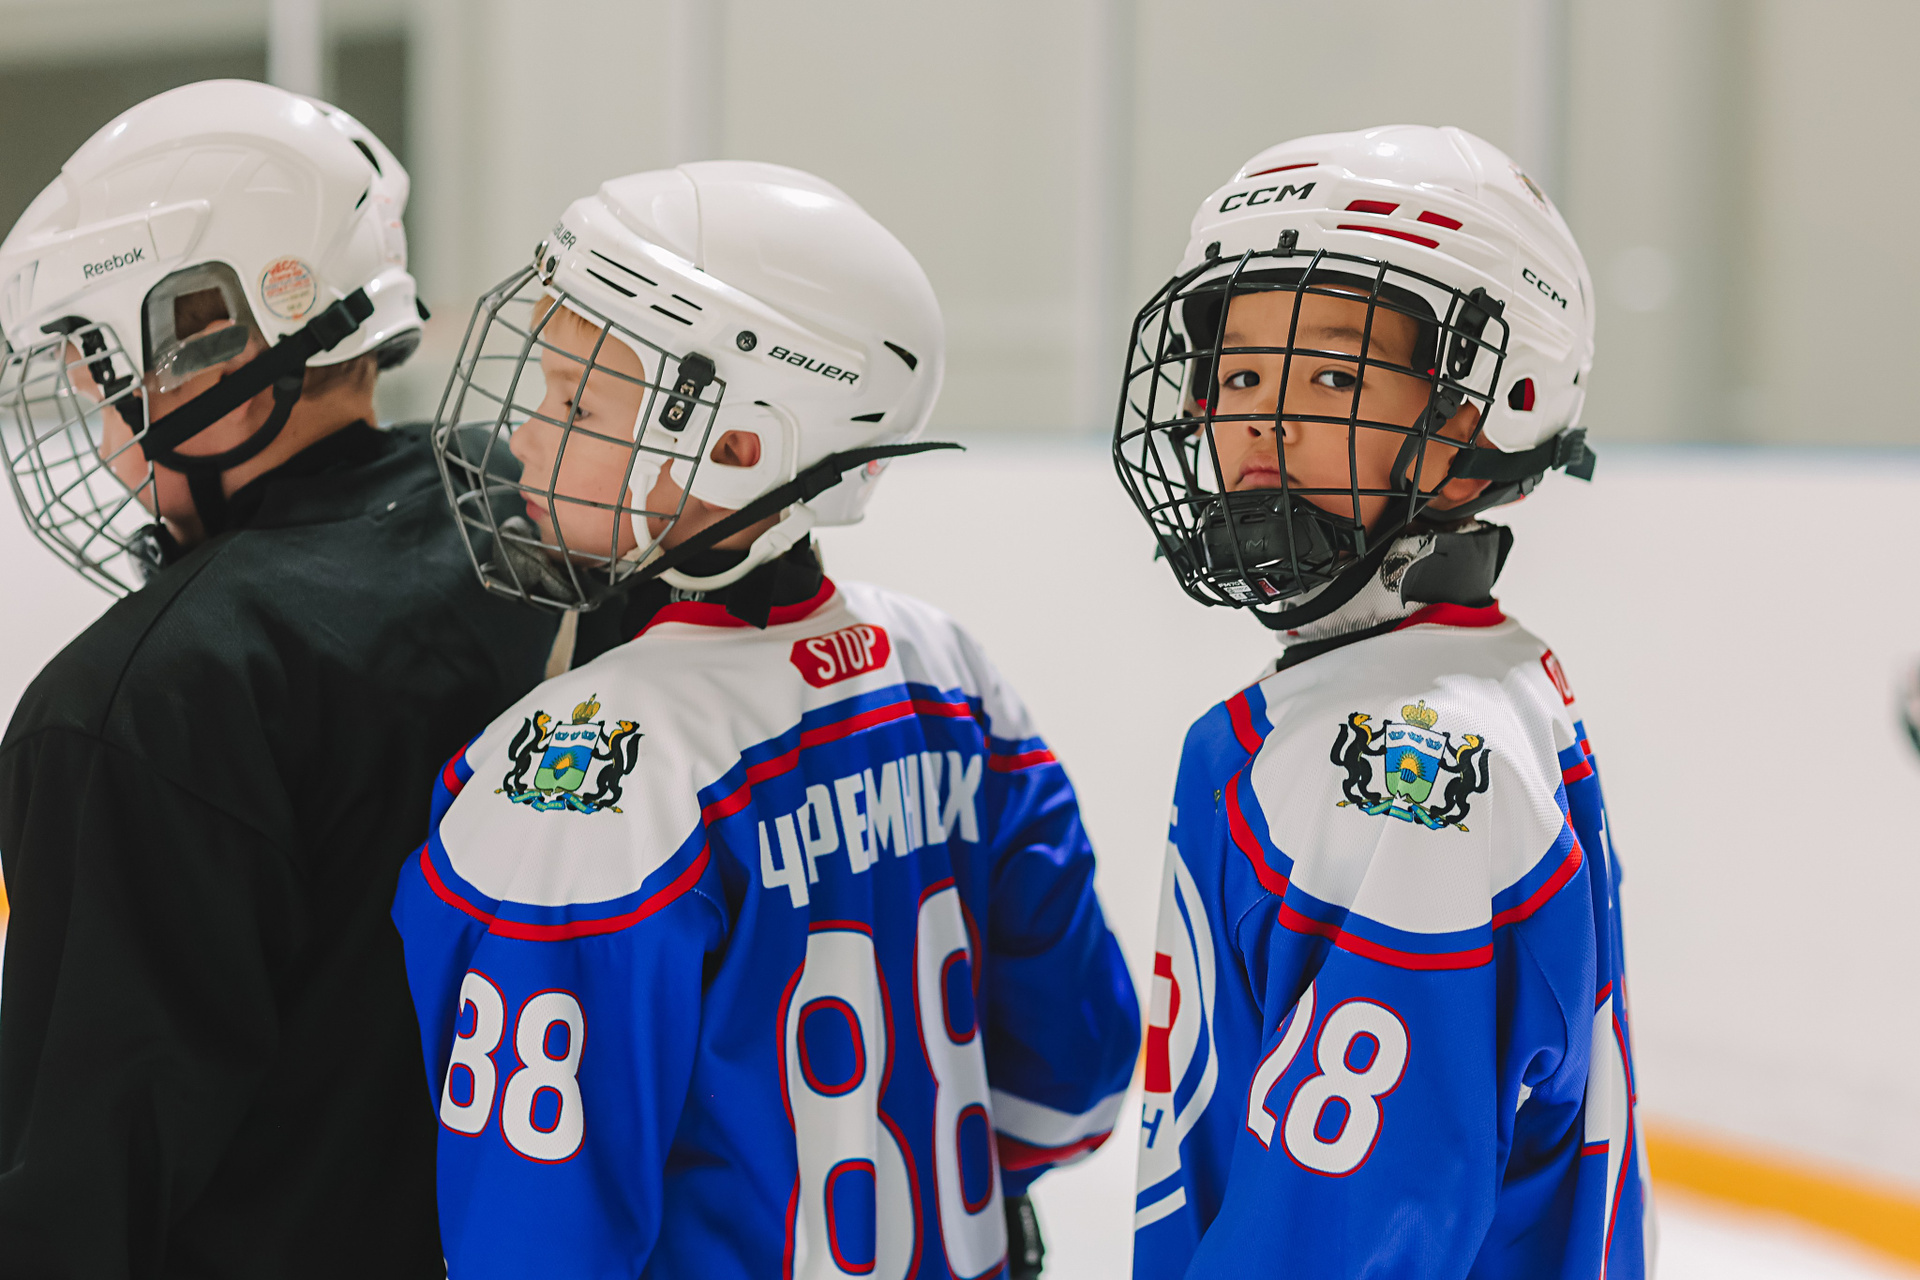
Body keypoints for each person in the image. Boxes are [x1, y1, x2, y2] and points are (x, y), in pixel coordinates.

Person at [393, 161, 1141, 1279]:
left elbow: (535, 1237)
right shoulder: (948, 670)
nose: (528, 438)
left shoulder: (589, 777)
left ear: (743, 446)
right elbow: (1070, 1080)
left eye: (576, 403)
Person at [0, 80, 557, 1276]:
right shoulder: (528, 518)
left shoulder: (144, 698)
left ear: (218, 330)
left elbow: (80, 1198)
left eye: (100, 357)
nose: (100, 412)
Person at [1112, 125, 1650, 1278]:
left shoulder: (1403, 767)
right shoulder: (1476, 677)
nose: (1260, 423)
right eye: (1239, 375)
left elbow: (1348, 1232)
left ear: (1486, 414)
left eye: (1333, 377)